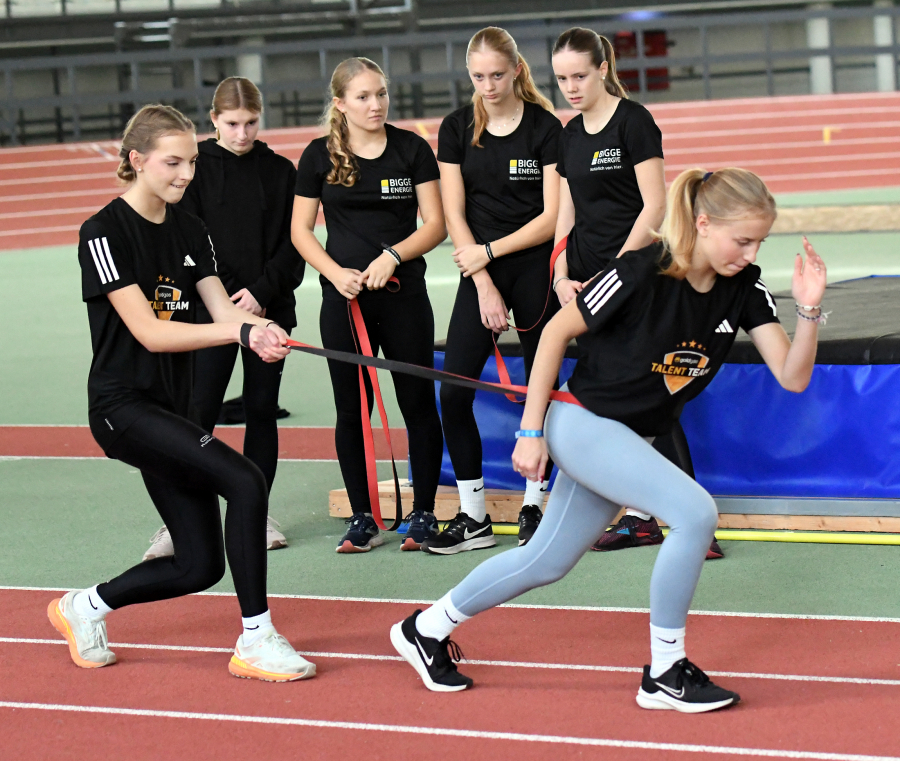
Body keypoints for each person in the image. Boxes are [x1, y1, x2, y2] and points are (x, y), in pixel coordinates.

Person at [390, 167, 828, 711]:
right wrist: (531, 431)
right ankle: (665, 671)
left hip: (629, 438)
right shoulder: (638, 270)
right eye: (742, 239)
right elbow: (554, 332)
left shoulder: (744, 286)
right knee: (695, 514)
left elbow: (792, 375)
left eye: (760, 240)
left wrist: (808, 308)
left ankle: (424, 628)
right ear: (704, 223)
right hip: (582, 423)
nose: (750, 251)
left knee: (545, 562)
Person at [48, 104, 314, 681]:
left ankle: (82, 607)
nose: (186, 174)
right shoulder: (104, 232)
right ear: (136, 160)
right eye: (173, 162)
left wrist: (256, 331)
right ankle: (255, 639)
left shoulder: (192, 228)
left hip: (168, 408)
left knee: (197, 567)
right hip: (123, 409)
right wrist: (236, 330)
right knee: (245, 481)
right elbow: (150, 331)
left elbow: (222, 308)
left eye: (192, 161)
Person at [550, 27, 716, 557]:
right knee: (613, 392)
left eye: (580, 76)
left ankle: (691, 518)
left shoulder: (634, 121)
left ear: (602, 68)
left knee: (650, 391)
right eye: (561, 80)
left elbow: (655, 206)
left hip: (634, 278)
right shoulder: (569, 134)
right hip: (587, 282)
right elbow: (566, 214)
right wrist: (559, 273)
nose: (571, 87)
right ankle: (641, 517)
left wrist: (618, 273)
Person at [141, 77, 302, 562]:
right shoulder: (194, 172)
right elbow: (190, 243)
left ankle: (257, 512)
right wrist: (230, 303)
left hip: (269, 310)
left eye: (251, 123)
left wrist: (260, 293)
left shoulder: (279, 171)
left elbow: (292, 246)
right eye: (232, 124)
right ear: (213, 121)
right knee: (197, 413)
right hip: (208, 314)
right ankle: (183, 518)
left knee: (261, 409)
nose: (242, 133)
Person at [292, 58, 446, 553]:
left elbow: (436, 224)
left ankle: (423, 514)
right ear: (340, 103)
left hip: (404, 297)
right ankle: (362, 517)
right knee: (351, 409)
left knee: (417, 403)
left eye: (380, 93)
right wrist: (335, 273)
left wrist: (393, 256)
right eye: (362, 97)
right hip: (345, 302)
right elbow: (300, 230)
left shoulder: (411, 149)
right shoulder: (318, 157)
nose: (375, 104)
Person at [425, 27, 563, 555]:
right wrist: (481, 279)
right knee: (454, 392)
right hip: (478, 272)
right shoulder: (457, 127)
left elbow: (551, 218)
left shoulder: (546, 129)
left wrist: (491, 253)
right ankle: (474, 514)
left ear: (518, 72)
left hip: (533, 270)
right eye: (478, 77)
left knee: (539, 390)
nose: (488, 85)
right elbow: (454, 214)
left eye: (497, 75)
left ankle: (535, 503)